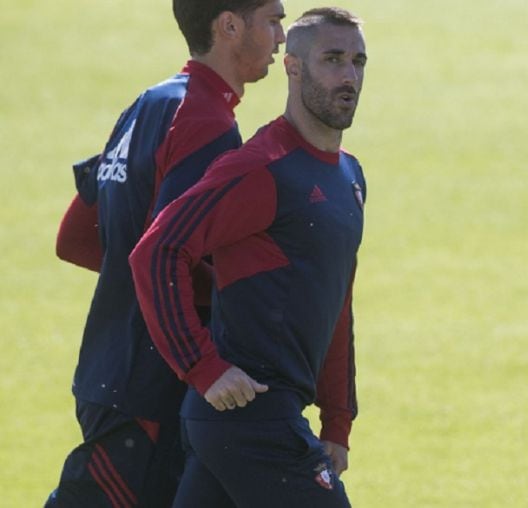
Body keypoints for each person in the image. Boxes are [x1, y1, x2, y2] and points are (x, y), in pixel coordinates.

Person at [48, 1, 287, 506]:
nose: (281, 38)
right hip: (149, 390)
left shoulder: (149, 103)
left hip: (105, 371)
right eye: (272, 20)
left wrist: (135, 276)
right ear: (229, 26)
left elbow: (75, 238)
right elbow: (163, 252)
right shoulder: (208, 121)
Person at [129, 7, 368, 507]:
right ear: (294, 67)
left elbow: (336, 301)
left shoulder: (349, 177)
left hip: (247, 421)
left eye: (357, 61)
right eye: (332, 59)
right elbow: (157, 251)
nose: (348, 75)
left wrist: (338, 421)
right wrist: (202, 366)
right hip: (250, 416)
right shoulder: (260, 168)